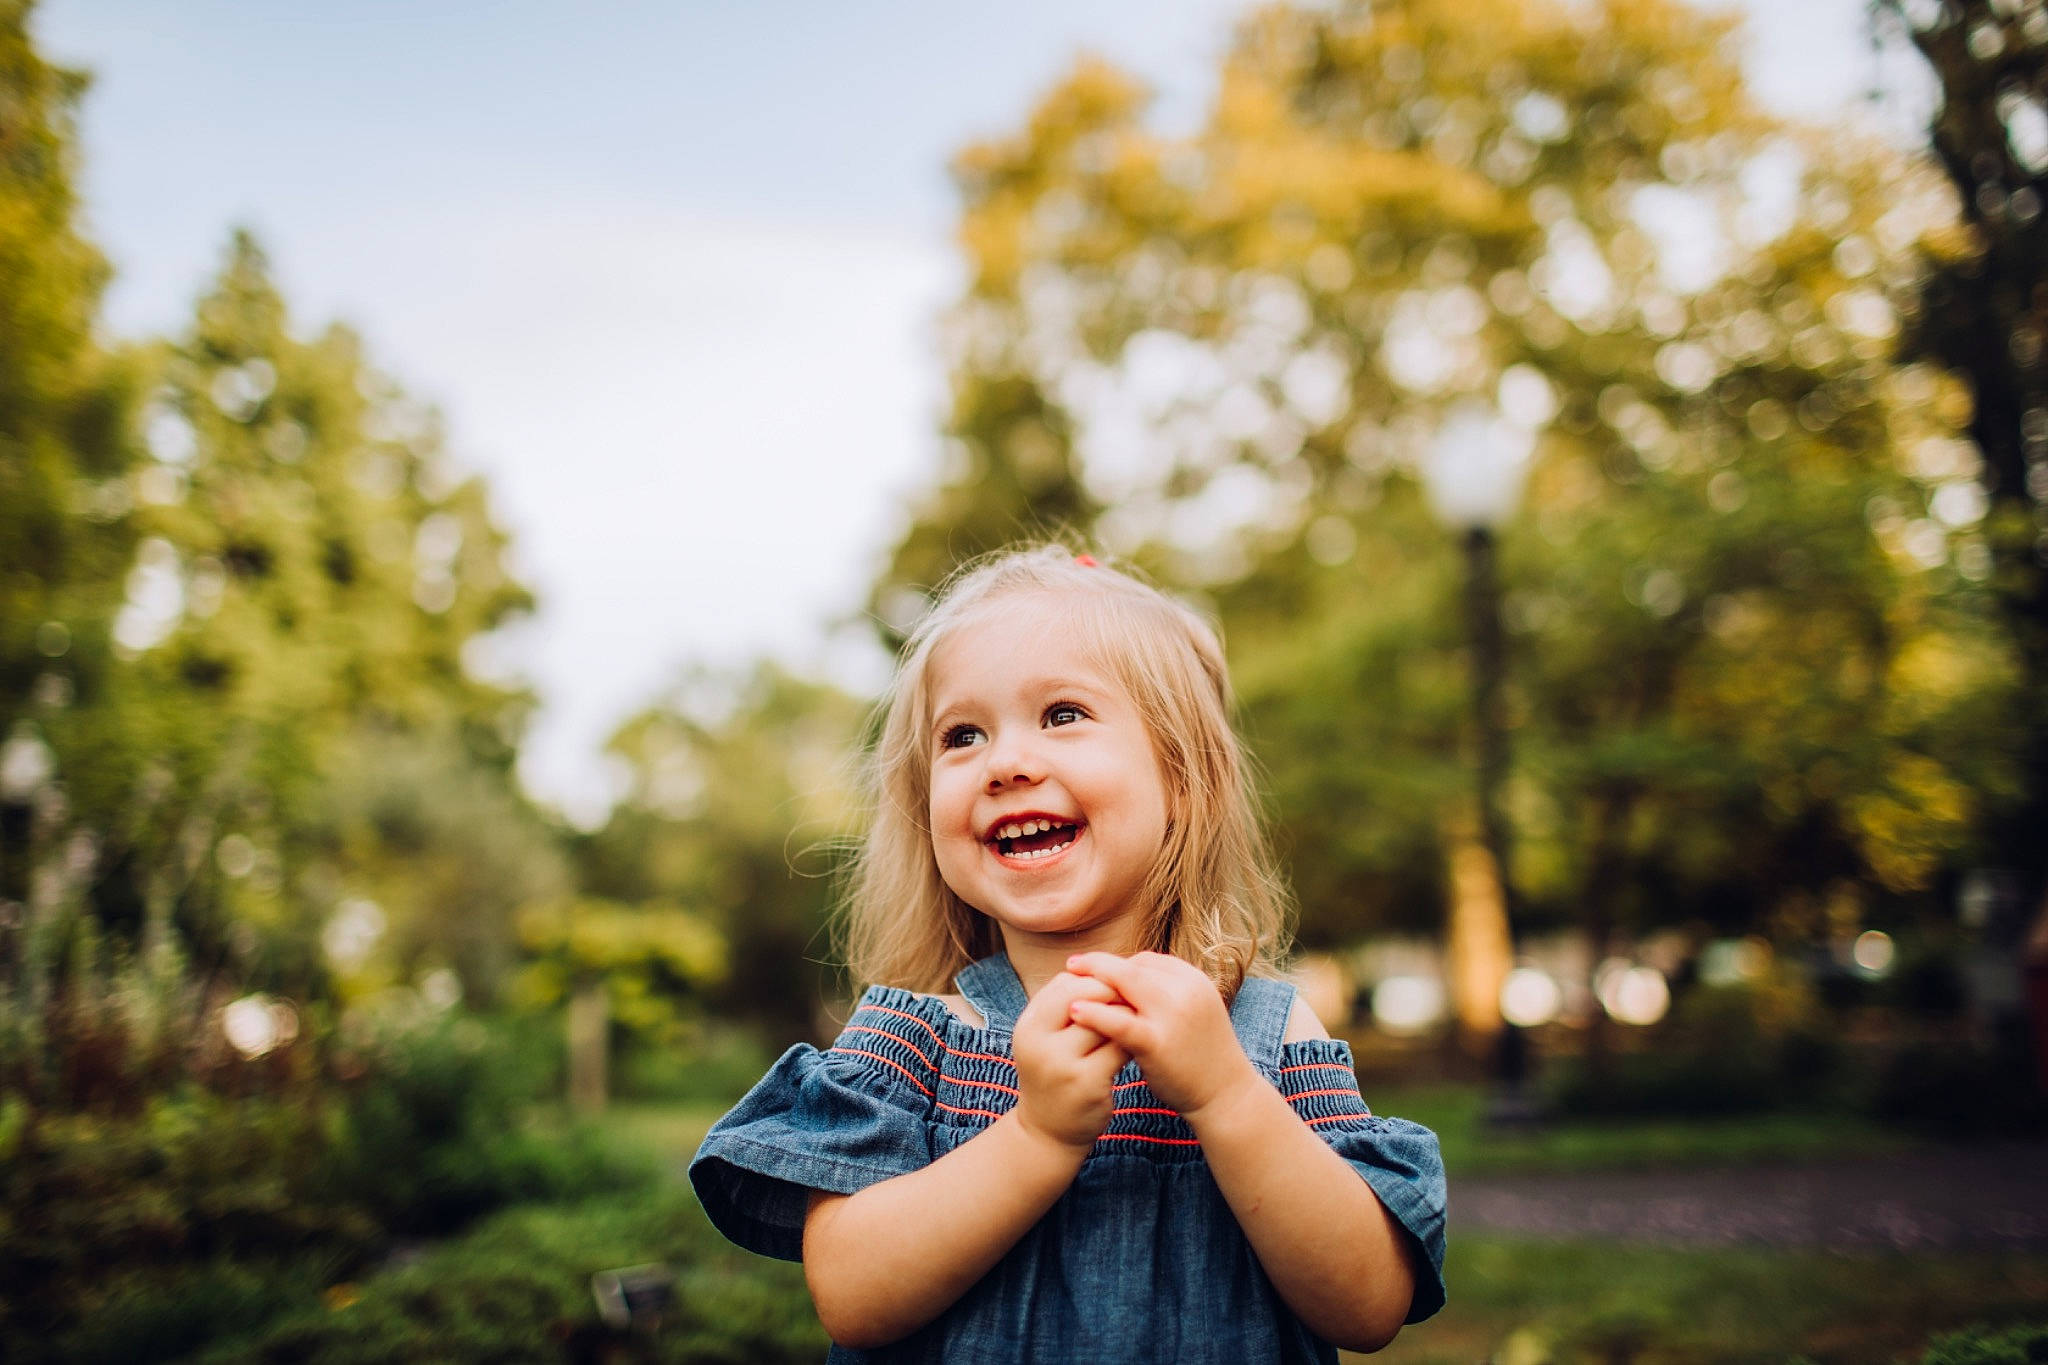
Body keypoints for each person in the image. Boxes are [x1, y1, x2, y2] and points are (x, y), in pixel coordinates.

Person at [690, 546, 1446, 1362]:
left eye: (1061, 714)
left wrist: (1227, 1094)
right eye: (963, 734)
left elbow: (1369, 1304)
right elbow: (852, 1295)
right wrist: (1039, 1134)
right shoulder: (913, 1039)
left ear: (1181, 778)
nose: (1007, 763)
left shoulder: (1267, 1032)